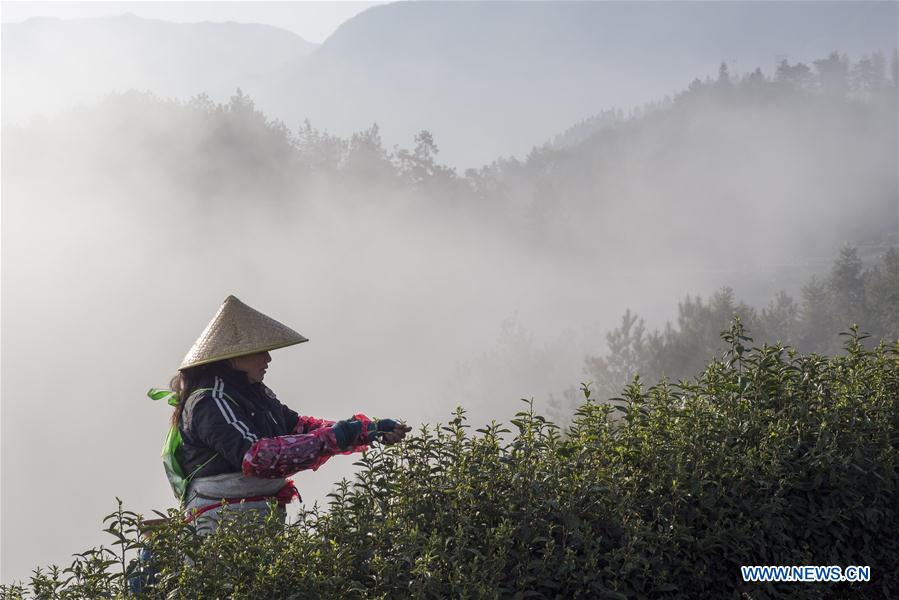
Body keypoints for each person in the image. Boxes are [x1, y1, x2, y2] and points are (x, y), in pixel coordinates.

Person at [161, 294, 410, 532]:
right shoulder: (209, 402)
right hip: (221, 524)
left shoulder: (256, 393)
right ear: (231, 357)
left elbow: (299, 427)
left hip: (257, 517)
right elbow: (257, 456)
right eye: (260, 351)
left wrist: (366, 430)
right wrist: (341, 435)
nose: (268, 358)